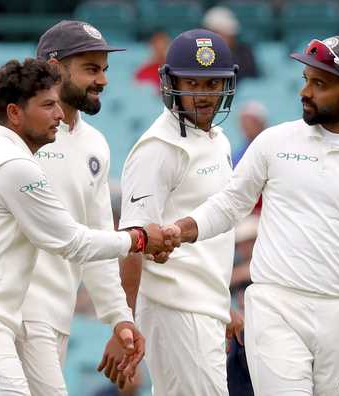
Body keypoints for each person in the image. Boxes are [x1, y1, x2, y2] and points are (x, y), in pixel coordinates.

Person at [171, 36, 339, 395]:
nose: (306, 92)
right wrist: (180, 230)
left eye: (320, 84)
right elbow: (229, 205)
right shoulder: (274, 142)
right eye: (305, 80)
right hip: (275, 305)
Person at [0, 58, 179, 395]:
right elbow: (73, 242)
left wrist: (119, 314)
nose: (59, 114)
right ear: (14, 113)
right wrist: (139, 239)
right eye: (47, 106)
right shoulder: (15, 165)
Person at [118, 29, 243, 395]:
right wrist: (125, 322)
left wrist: (224, 306)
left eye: (213, 84)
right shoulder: (159, 148)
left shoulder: (218, 140)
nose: (204, 95)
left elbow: (211, 240)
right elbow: (133, 240)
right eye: (193, 83)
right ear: (170, 82)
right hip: (174, 307)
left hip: (204, 306)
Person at [203, 6, 260, 82]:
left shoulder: (244, 52)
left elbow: (251, 77)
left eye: (228, 34)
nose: (226, 38)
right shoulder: (198, 54)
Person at [232, 101, 267, 167]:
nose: (244, 126)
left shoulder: (273, 148)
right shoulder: (238, 155)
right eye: (242, 122)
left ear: (261, 123)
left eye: (249, 122)